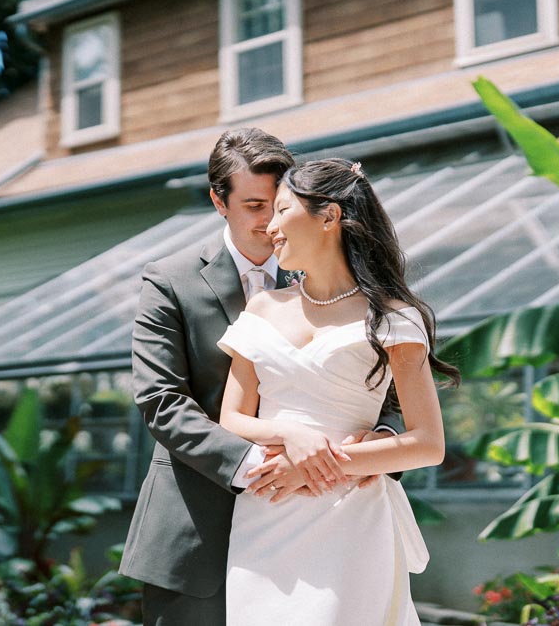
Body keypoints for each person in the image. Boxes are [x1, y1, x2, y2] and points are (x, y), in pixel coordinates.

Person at [121, 130, 402, 626]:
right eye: (254, 205)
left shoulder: (334, 276)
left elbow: (389, 391)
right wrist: (261, 466)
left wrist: (378, 442)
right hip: (196, 531)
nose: (270, 222)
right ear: (218, 200)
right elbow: (161, 400)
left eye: (279, 205)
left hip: (321, 529)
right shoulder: (170, 280)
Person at [216, 158, 460, 626]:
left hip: (349, 513)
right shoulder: (263, 306)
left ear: (328, 216)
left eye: (282, 210)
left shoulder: (393, 317)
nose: (269, 227)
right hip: (265, 512)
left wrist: (314, 467)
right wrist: (289, 434)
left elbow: (428, 444)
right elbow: (231, 418)